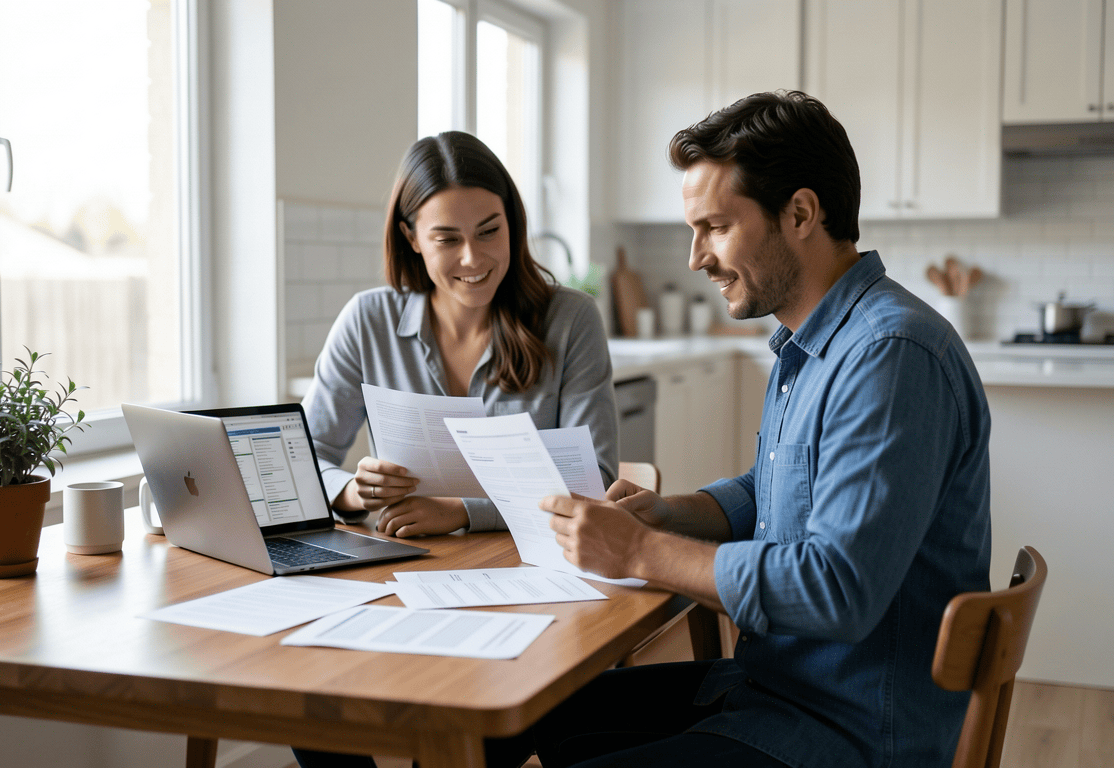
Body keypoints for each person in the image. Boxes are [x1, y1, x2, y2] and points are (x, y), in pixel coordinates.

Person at [518, 90, 993, 768]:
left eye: (714, 227)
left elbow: (837, 589)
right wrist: (666, 514)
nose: (694, 257)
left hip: (850, 730)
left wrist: (639, 553)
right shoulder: (811, 341)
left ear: (800, 213)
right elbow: (778, 486)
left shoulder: (892, 354)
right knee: (557, 713)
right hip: (780, 688)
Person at [291, 131, 618, 768]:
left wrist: (461, 510)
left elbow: (596, 479)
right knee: (312, 697)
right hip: (399, 584)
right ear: (412, 236)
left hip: (529, 590)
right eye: (447, 238)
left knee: (478, 730)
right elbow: (303, 452)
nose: (474, 257)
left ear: (513, 226)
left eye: (490, 230)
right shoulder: (368, 320)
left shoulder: (570, 320)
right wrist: (352, 491)